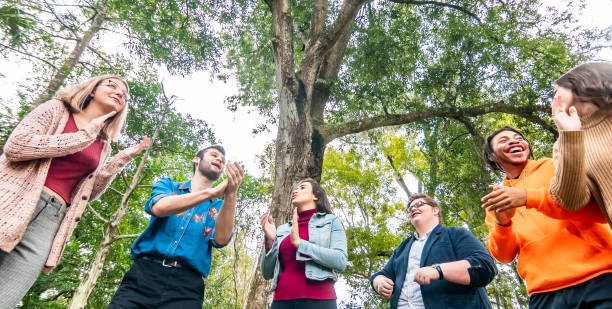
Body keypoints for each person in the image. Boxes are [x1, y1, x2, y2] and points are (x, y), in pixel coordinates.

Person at [0, 75, 148, 307]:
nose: (120, 93)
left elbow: (88, 193)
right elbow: (16, 147)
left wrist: (120, 160)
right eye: (112, 85)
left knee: (7, 297)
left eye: (125, 94)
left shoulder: (103, 145)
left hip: (50, 220)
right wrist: (82, 136)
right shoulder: (56, 110)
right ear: (91, 90)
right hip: (10, 201)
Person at [481, 126, 612, 308]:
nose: (514, 141)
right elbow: (504, 256)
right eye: (503, 140)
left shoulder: (555, 166)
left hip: (599, 277)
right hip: (543, 293)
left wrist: (528, 197)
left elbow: (597, 206)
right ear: (491, 156)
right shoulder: (497, 198)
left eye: (518, 137)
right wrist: (503, 223)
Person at [107, 145, 244, 308]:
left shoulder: (221, 206)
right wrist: (212, 193)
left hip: (187, 288)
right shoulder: (169, 186)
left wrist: (231, 193)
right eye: (214, 155)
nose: (219, 159)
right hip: (143, 277)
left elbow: (221, 239)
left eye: (222, 160)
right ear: (197, 160)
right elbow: (159, 207)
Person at [371, 193, 496, 309]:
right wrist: (379, 282)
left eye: (419, 204)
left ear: (435, 209)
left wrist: (438, 270)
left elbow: (485, 266)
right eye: (410, 208)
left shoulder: (455, 234)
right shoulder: (402, 248)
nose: (413, 208)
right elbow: (380, 275)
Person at [260, 178, 347, 309]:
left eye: (302, 188)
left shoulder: (331, 221)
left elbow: (340, 261)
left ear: (316, 195)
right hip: (281, 302)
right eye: (296, 188)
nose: (296, 190)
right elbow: (267, 273)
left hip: (319, 300)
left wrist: (300, 244)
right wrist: (270, 241)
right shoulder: (283, 229)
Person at [549, 62, 612, 228]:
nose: (553, 101)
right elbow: (571, 201)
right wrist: (570, 135)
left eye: (556, 91)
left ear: (577, 82)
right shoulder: (562, 144)